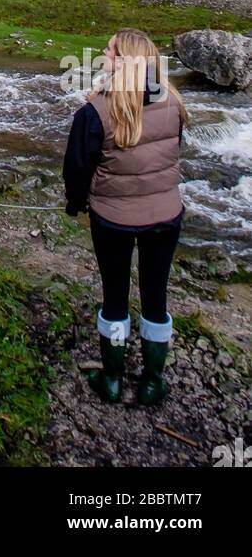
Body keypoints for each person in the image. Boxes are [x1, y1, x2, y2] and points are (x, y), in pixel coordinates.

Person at [62, 28, 187, 406]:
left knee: (115, 295)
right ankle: (151, 383)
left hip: (112, 219)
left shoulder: (95, 110)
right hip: (166, 217)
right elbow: (171, 153)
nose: (104, 52)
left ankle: (113, 379)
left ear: (124, 60)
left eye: (110, 50)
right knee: (156, 295)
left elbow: (77, 168)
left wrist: (75, 203)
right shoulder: (175, 103)